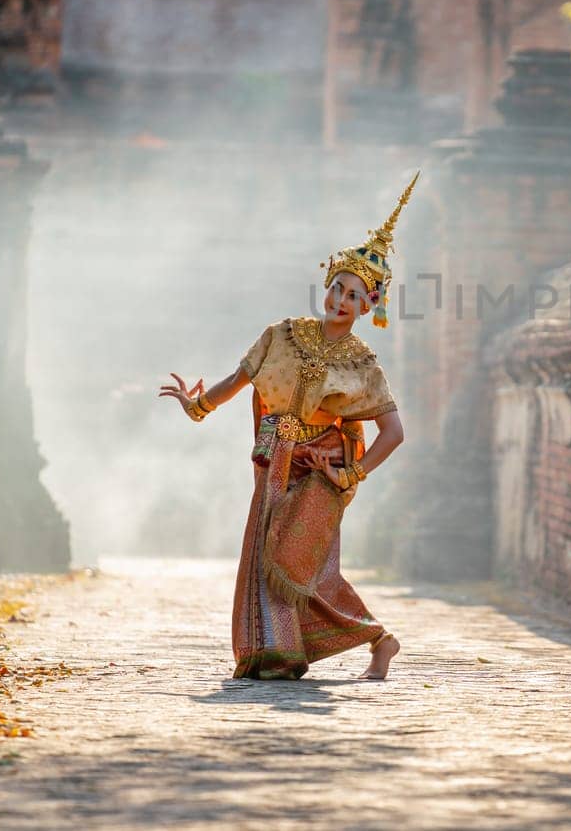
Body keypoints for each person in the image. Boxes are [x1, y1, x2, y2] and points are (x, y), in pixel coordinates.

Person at [159, 173, 416, 681]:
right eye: (337, 287)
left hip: (321, 471)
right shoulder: (281, 334)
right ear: (326, 286)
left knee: (295, 562)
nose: (341, 300)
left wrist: (351, 473)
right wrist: (197, 405)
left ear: (370, 307)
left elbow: (394, 432)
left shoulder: (364, 365)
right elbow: (239, 379)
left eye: (354, 295)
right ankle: (277, 654)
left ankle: (378, 640)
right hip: (274, 461)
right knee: (265, 558)